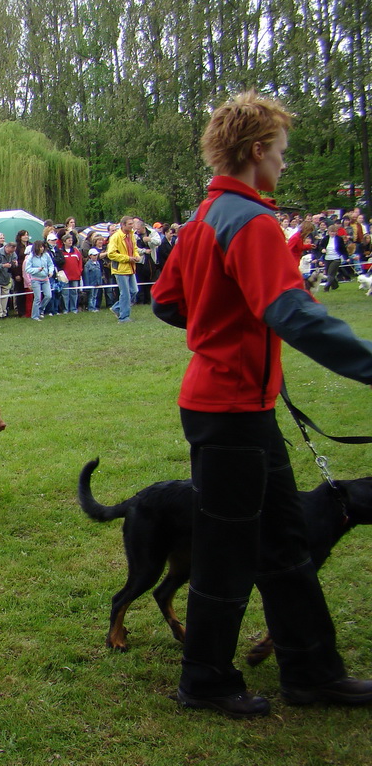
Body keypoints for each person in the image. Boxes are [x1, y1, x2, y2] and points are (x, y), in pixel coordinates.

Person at [152, 91, 372, 719]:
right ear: (256, 151)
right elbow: (291, 311)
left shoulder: (203, 219)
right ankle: (205, 682)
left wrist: (224, 328)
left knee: (285, 541)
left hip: (234, 406)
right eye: (280, 152)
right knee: (226, 552)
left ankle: (311, 672)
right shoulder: (249, 222)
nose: (282, 163)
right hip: (229, 411)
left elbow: (169, 302)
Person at [106, 216, 141, 322]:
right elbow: (111, 254)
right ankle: (123, 317)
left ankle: (117, 308)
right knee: (125, 293)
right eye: (130, 224)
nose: (132, 226)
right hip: (120, 269)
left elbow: (134, 248)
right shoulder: (115, 237)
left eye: (132, 224)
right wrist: (127, 258)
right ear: (123, 225)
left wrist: (136, 256)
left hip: (131, 267)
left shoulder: (131, 236)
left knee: (134, 291)